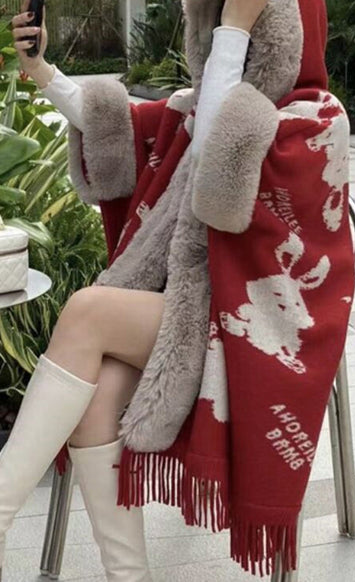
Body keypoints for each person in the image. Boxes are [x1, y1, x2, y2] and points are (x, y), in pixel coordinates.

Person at [0, 1, 269, 580]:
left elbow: (218, 160)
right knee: (95, 400)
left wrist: (233, 31)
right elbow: (121, 128)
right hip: (179, 310)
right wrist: (41, 70)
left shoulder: (305, 115)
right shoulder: (203, 103)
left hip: (245, 322)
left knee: (88, 311)